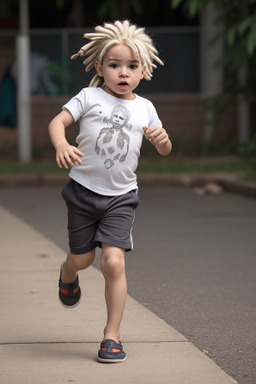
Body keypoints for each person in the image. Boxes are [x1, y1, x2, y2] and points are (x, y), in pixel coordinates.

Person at [48, 19, 172, 363]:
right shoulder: (89, 96)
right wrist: (61, 143)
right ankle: (68, 272)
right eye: (115, 65)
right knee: (84, 259)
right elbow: (58, 122)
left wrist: (163, 141)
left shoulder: (145, 107)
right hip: (83, 192)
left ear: (144, 70)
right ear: (100, 67)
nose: (123, 72)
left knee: (114, 263)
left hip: (121, 197)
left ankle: (111, 337)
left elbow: (164, 148)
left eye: (132, 66)